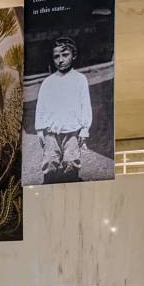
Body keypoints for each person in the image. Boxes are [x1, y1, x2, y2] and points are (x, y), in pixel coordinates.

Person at [35, 37, 92, 184]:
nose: (60, 60)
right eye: (56, 56)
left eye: (65, 55)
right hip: (51, 133)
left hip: (72, 132)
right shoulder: (48, 82)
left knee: (71, 162)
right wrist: (40, 130)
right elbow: (41, 106)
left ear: (73, 55)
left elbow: (85, 104)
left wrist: (85, 129)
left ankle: (71, 188)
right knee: (49, 162)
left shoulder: (80, 80)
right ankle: (48, 187)